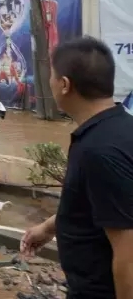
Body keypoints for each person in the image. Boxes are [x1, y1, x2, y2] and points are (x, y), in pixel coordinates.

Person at [20, 37, 133, 299]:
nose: (50, 82)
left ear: (64, 85)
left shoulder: (98, 152)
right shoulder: (118, 130)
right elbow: (98, 206)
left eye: (52, 76)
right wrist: (48, 228)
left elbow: (128, 252)